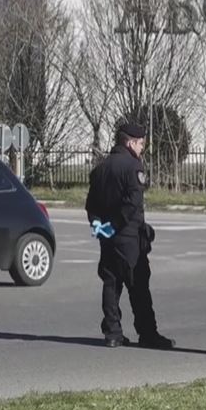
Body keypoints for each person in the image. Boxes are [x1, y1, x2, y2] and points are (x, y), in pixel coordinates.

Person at [84, 123, 175, 349]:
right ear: (130, 142)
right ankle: (147, 333)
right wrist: (115, 225)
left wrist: (98, 225)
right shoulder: (133, 166)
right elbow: (133, 203)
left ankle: (113, 333)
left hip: (107, 237)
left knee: (111, 284)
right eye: (141, 143)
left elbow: (91, 204)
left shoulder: (101, 168)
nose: (142, 148)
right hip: (128, 236)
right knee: (139, 286)